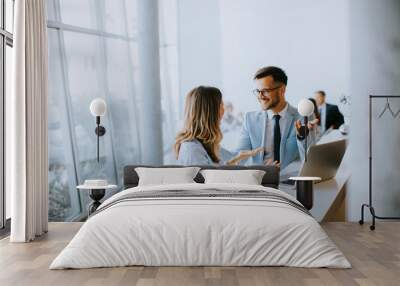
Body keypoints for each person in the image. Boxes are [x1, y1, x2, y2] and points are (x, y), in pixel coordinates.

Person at [236, 66, 316, 169]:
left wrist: (302, 137)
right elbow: (238, 157)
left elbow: (309, 161)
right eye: (257, 91)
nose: (260, 96)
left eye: (265, 91)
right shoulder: (249, 119)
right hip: (260, 180)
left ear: (282, 90)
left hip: (289, 181)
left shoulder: (303, 117)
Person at [175, 86, 263, 166]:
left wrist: (238, 158)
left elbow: (221, 168)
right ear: (210, 113)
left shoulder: (206, 144)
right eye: (221, 105)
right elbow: (213, 181)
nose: (223, 111)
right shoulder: (192, 149)